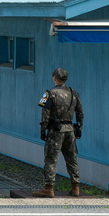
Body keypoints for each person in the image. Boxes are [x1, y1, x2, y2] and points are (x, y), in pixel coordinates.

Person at [33, 67, 85, 198]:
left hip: (55, 131)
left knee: (51, 159)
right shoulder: (74, 93)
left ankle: (49, 188)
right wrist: (79, 128)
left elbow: (45, 115)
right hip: (70, 130)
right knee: (72, 159)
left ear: (54, 78)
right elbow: (80, 112)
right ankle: (75, 187)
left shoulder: (49, 93)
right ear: (66, 79)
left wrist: (42, 130)